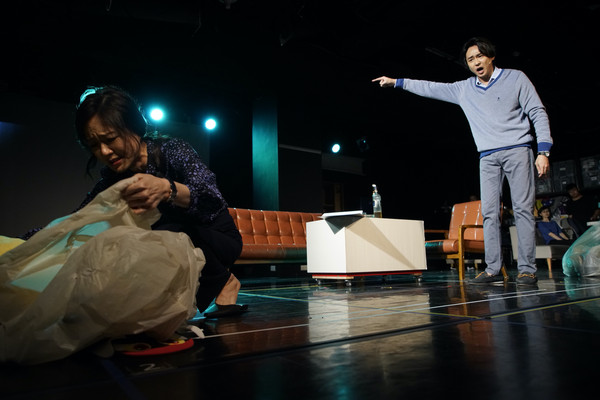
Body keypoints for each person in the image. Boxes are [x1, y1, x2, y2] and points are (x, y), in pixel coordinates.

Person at [24, 85, 246, 318]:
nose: (104, 152)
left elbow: (212, 199)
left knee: (166, 228)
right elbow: (78, 219)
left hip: (217, 237)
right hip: (170, 246)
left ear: (134, 127)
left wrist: (167, 188)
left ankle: (224, 280)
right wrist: (25, 243)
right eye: (94, 145)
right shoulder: (113, 180)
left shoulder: (172, 150)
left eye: (110, 139)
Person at [373, 37, 553, 285]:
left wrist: (543, 151)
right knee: (489, 213)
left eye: (479, 56)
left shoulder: (516, 78)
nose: (476, 62)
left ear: (490, 56)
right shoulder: (464, 89)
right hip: (487, 156)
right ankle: (492, 269)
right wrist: (397, 82)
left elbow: (537, 111)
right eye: (470, 60)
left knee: (522, 209)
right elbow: (431, 88)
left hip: (518, 149)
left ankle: (527, 269)